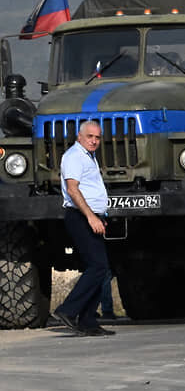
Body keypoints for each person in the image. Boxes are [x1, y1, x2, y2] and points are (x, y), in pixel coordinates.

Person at [49, 120, 116, 336]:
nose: (94, 141)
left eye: (97, 137)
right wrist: (90, 217)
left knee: (101, 267)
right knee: (98, 266)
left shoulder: (88, 156)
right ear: (80, 137)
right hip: (79, 216)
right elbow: (73, 189)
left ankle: (88, 321)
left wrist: (99, 215)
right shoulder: (74, 156)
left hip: (89, 216)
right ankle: (67, 310)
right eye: (90, 137)